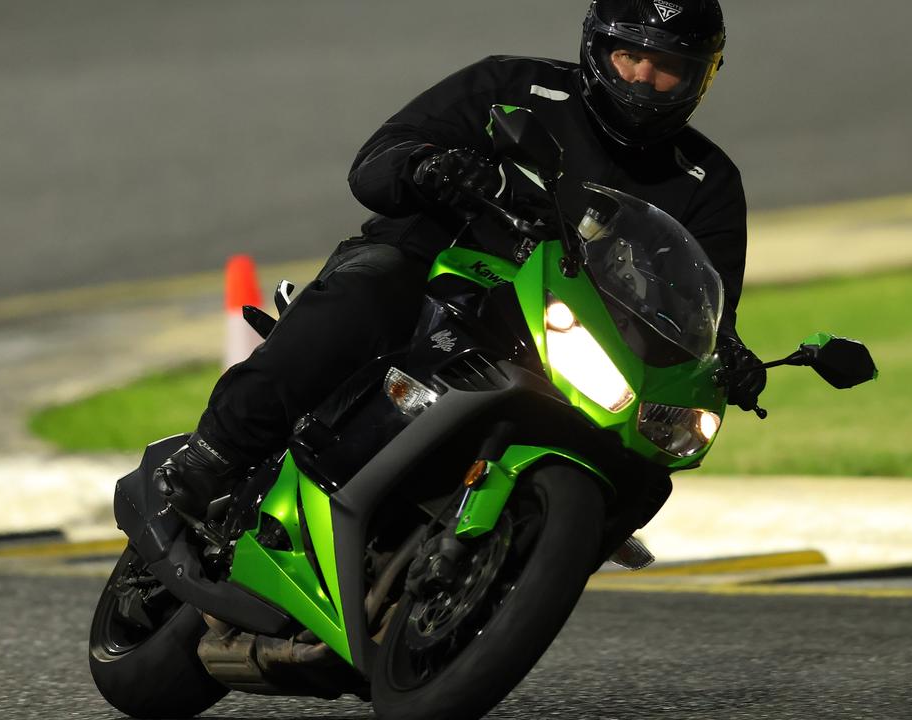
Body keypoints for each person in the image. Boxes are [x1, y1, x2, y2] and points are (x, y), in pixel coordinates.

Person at [155, 0, 767, 520]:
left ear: (702, 77)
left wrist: (730, 359)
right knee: (370, 289)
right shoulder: (511, 84)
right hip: (435, 268)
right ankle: (216, 453)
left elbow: (705, 305)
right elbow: (377, 158)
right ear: (595, 48)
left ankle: (520, 564)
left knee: (649, 457)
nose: (641, 80)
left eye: (667, 70)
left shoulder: (707, 181)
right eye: (629, 56)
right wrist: (429, 166)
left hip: (562, 333)